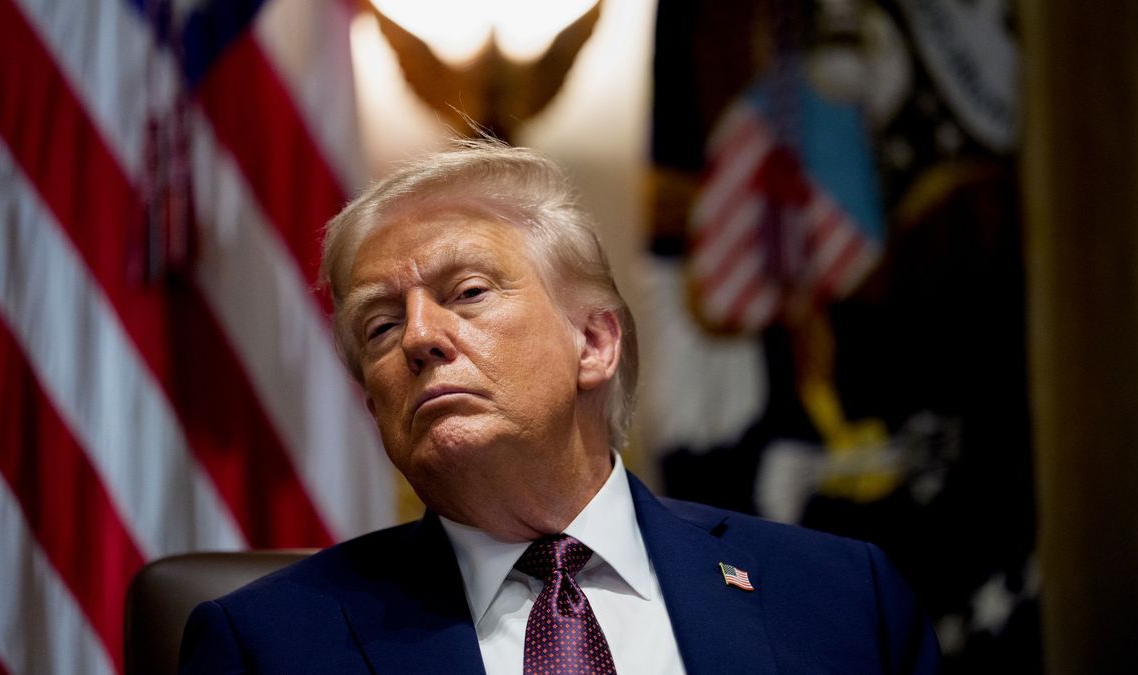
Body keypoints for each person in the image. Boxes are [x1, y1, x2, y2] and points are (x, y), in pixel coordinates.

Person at [179, 140, 940, 674]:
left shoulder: (843, 598)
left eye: (467, 293)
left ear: (595, 342)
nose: (417, 337)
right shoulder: (268, 647)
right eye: (379, 325)